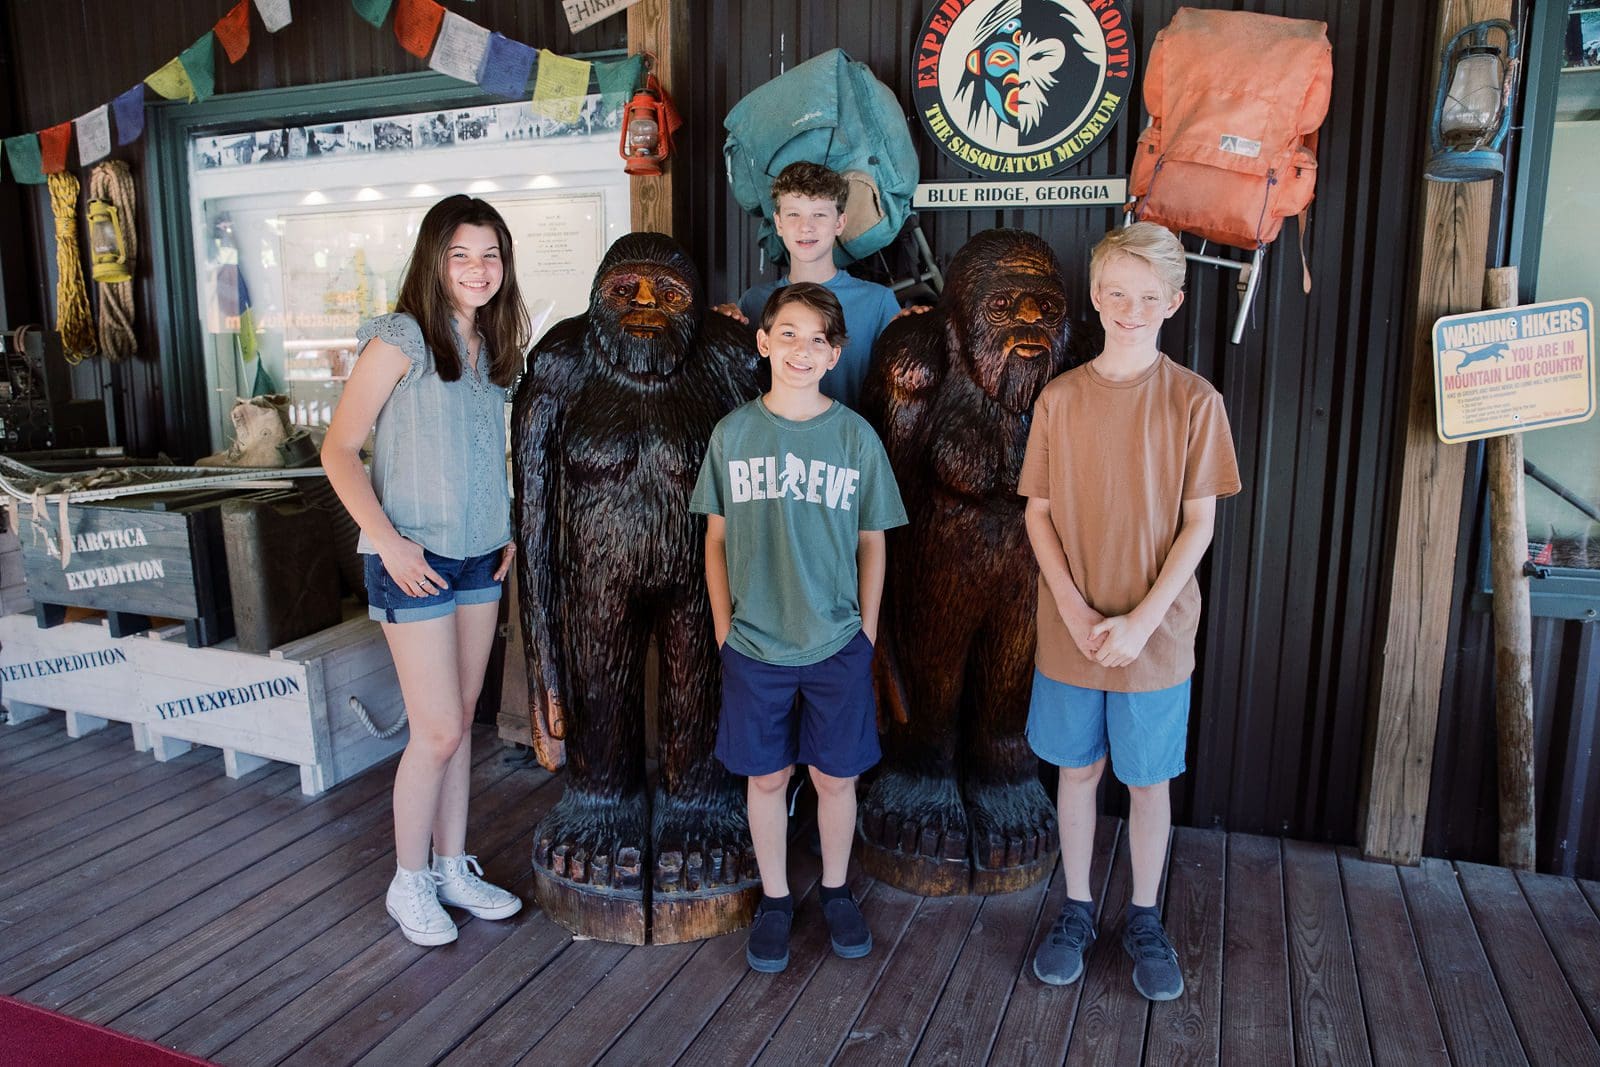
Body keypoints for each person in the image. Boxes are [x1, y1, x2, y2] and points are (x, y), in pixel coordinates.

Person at [1019, 223, 1240, 1001]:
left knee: (1148, 781)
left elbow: (1200, 523)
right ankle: (1076, 906)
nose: (1130, 308)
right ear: (1095, 295)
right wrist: (1076, 613)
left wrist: (1143, 620)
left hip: (1156, 635)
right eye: (1116, 292)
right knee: (1077, 770)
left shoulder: (1193, 401)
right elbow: (1038, 513)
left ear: (1174, 302)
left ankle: (1145, 915)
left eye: (1148, 296)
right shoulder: (1060, 397)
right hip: (1071, 629)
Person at [321, 194, 531, 947]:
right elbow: (337, 449)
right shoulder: (403, 336)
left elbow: (483, 453)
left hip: (480, 554)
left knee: (461, 721)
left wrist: (507, 529)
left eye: (491, 255)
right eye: (461, 255)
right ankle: (407, 880)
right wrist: (388, 541)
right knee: (437, 729)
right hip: (411, 557)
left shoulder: (491, 346)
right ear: (433, 260)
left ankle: (451, 865)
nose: (478, 270)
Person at [690, 283, 907, 973]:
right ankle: (778, 898)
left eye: (818, 339)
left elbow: (874, 538)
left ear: (835, 352)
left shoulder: (854, 435)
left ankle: (838, 889)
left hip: (837, 641)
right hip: (754, 644)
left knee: (834, 778)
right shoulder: (734, 434)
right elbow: (715, 541)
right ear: (763, 341)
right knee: (766, 778)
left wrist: (865, 632)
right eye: (788, 334)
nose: (801, 350)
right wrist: (725, 630)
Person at [714, 162, 902, 411]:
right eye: (794, 214)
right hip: (777, 445)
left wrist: (914, 325)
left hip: (854, 445)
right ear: (778, 223)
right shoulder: (754, 302)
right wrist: (720, 328)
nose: (806, 227)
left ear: (840, 223)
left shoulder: (878, 303)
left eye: (819, 214)